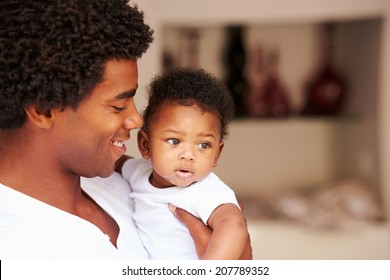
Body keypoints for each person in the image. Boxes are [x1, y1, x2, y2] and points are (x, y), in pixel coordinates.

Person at [0, 0, 252, 259]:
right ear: (44, 110)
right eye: (118, 105)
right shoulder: (14, 247)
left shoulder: (116, 182)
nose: (136, 119)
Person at [116, 67, 248, 259]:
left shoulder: (205, 190)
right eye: (174, 141)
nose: (189, 155)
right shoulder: (139, 173)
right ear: (145, 145)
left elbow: (234, 226)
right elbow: (115, 161)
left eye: (203, 145)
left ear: (217, 155)